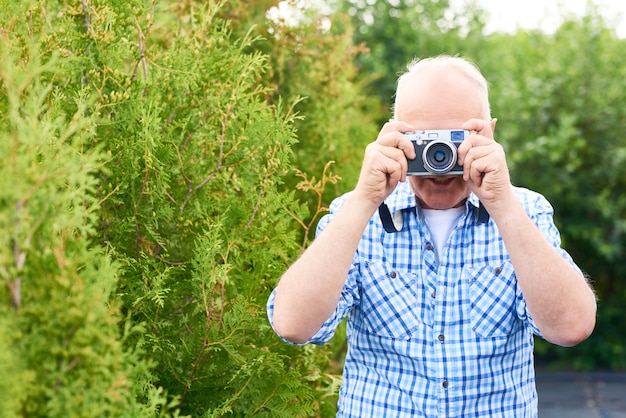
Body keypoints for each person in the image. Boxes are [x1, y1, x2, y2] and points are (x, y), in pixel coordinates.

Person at [267, 55, 596, 417]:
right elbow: (294, 325)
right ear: (395, 134)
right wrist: (365, 199)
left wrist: (501, 203)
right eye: (424, 141)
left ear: (488, 133)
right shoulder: (358, 213)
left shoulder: (524, 211)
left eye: (456, 140)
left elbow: (571, 327)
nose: (440, 160)